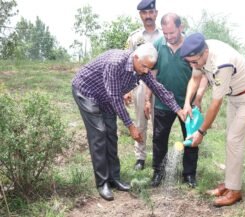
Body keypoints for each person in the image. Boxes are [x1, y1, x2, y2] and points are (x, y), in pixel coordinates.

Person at [72, 43, 184, 201]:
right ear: (136, 57)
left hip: (107, 96)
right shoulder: (115, 63)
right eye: (145, 67)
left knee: (111, 134)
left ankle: (114, 179)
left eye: (149, 68)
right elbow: (116, 98)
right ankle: (102, 182)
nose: (146, 71)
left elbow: (158, 88)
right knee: (99, 134)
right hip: (87, 92)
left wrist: (178, 109)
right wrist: (131, 126)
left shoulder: (141, 67)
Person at [180, 33, 245, 207]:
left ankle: (235, 191)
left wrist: (201, 131)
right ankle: (229, 183)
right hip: (235, 95)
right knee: (231, 139)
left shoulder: (221, 63)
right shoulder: (198, 54)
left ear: (205, 53)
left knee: (234, 139)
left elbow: (216, 103)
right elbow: (195, 78)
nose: (192, 65)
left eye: (194, 62)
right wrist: (187, 102)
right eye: (189, 62)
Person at [144, 13, 205, 188]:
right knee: (159, 138)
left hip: (187, 104)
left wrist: (197, 98)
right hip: (163, 103)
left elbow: (199, 76)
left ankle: (189, 175)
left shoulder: (191, 47)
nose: (169, 37)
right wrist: (148, 99)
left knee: (191, 138)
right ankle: (158, 172)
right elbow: (151, 75)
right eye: (166, 33)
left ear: (181, 27)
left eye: (172, 32)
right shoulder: (158, 45)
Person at [125, 0, 163, 171]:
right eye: (144, 13)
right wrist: (126, 89)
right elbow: (127, 61)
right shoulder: (134, 37)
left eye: (151, 12)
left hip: (160, 83)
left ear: (156, 13)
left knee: (159, 122)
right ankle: (140, 158)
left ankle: (158, 157)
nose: (148, 16)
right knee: (140, 121)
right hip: (139, 83)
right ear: (140, 15)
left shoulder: (164, 35)